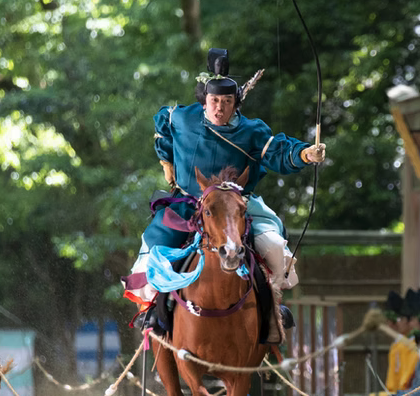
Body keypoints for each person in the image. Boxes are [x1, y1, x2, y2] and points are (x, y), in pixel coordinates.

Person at [122, 48, 325, 339]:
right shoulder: (182, 117)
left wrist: (305, 153)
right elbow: (161, 123)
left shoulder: (251, 131)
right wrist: (166, 161)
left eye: (227, 101)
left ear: (236, 103)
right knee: (154, 246)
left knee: (272, 244)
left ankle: (271, 304)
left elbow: (278, 150)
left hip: (236, 204)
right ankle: (153, 310)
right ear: (204, 100)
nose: (219, 108)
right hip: (188, 203)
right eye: (214, 100)